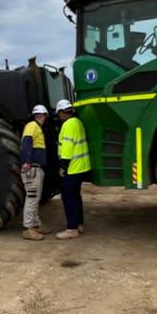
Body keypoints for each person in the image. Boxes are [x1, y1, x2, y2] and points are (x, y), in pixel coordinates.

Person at [54, 99, 91, 239]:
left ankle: (71, 229)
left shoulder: (68, 125)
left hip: (72, 168)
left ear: (63, 112)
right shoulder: (78, 122)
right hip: (81, 166)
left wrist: (63, 167)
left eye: (59, 113)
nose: (59, 116)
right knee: (76, 197)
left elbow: (68, 147)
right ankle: (79, 224)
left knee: (68, 198)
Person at [20, 104, 51, 240]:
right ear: (43, 115)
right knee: (32, 197)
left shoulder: (35, 127)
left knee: (36, 198)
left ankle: (36, 224)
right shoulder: (32, 126)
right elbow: (26, 143)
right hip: (31, 168)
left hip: (36, 168)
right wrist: (26, 162)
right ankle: (28, 228)